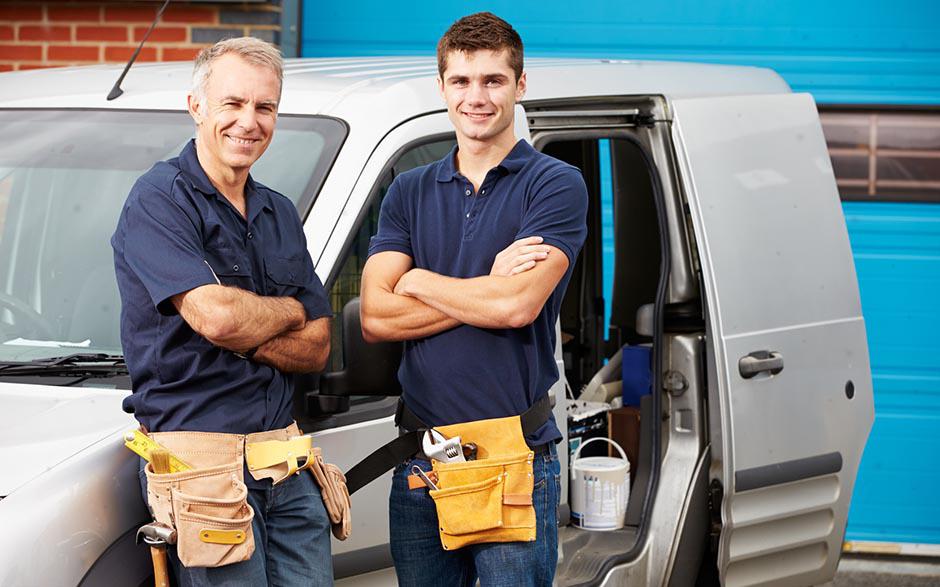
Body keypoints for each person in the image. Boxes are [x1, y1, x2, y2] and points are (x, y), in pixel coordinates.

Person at [359, 12, 588, 587]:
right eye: (461, 81)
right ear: (442, 88)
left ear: (520, 85)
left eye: (492, 80)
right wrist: (486, 281)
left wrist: (419, 280)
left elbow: (515, 308)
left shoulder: (554, 184)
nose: (476, 97)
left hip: (514, 455)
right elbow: (374, 317)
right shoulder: (409, 190)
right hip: (423, 461)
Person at [112, 37, 334, 586]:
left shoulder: (278, 211)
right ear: (197, 106)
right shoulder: (159, 199)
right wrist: (286, 312)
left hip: (285, 463)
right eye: (232, 103)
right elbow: (218, 319)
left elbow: (319, 344)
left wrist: (248, 324)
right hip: (202, 471)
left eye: (264, 107)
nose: (248, 122)